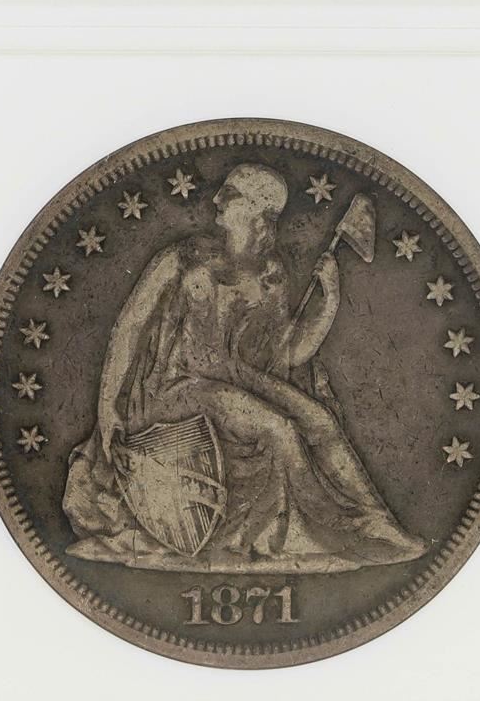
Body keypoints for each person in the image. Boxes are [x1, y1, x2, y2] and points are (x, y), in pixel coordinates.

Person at [64, 163, 426, 571]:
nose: (217, 199)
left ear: (257, 212)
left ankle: (377, 524)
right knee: (278, 428)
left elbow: (288, 355)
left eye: (231, 194)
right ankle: (337, 530)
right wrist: (107, 408)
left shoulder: (271, 273)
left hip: (236, 379)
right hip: (175, 389)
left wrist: (329, 302)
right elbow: (129, 328)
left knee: (320, 420)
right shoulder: (182, 258)